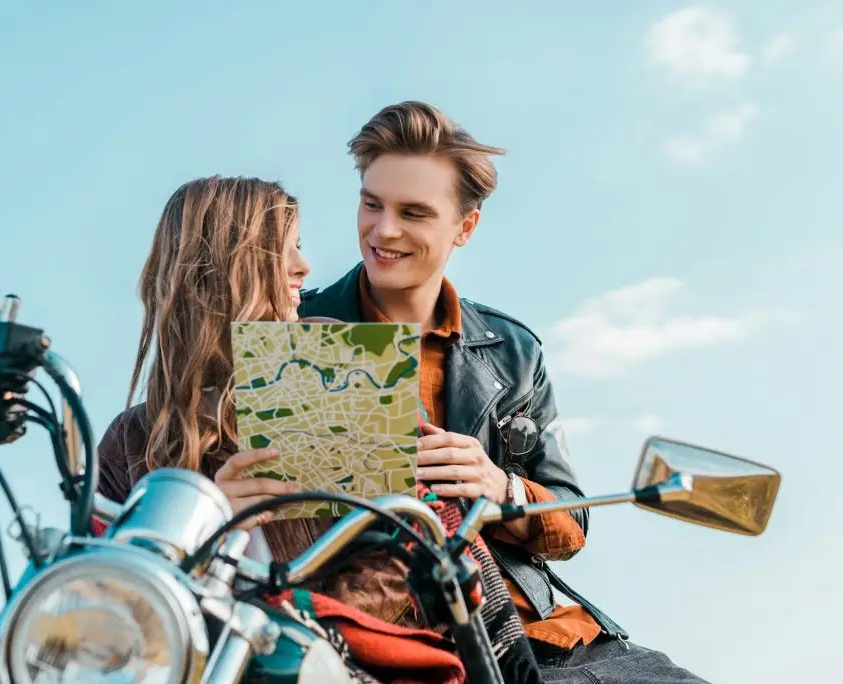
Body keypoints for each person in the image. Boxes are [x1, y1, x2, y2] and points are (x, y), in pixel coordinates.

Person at [298, 101, 708, 683]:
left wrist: (498, 485)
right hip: (370, 639)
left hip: (538, 635)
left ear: (465, 228)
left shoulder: (515, 351)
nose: (383, 230)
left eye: (413, 212)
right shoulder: (296, 331)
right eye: (372, 204)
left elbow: (574, 523)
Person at [94, 175, 542, 684]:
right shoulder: (132, 442)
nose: (303, 267)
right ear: (223, 268)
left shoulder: (326, 366)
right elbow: (116, 612)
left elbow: (421, 534)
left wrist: (295, 619)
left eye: (300, 247)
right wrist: (212, 528)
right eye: (280, 250)